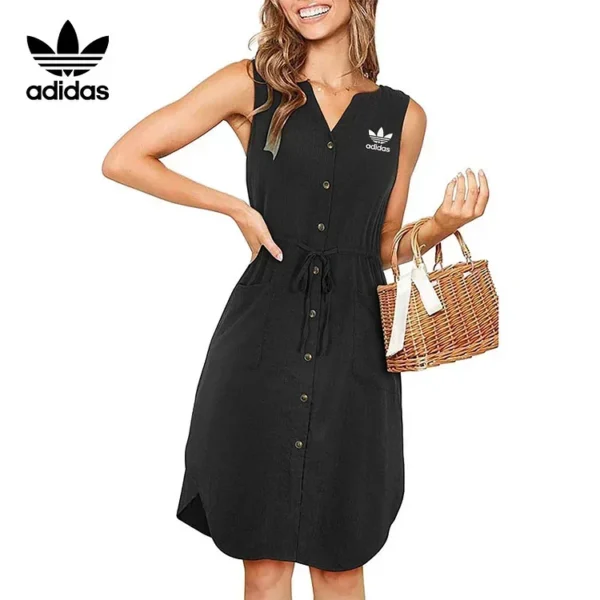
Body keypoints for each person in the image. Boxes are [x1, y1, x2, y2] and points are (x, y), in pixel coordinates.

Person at [102, 1, 490, 598]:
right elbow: (124, 158)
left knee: (341, 562)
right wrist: (235, 208)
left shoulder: (403, 116)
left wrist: (442, 224)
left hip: (356, 349)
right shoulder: (250, 87)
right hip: (263, 342)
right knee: (263, 564)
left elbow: (382, 245)